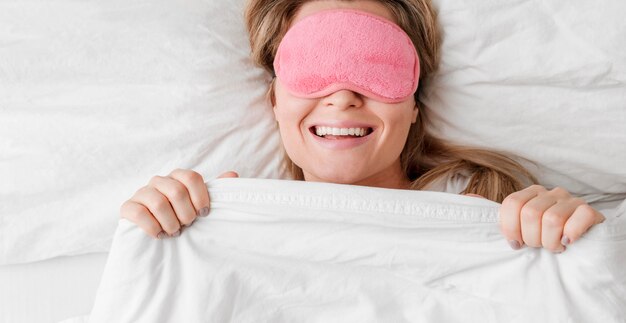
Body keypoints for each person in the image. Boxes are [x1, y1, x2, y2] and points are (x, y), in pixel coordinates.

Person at [120, 0, 605, 253]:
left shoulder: (496, 212)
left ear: (415, 104)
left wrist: (572, 235)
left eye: (375, 66)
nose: (342, 96)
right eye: (313, 66)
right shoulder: (218, 218)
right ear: (274, 101)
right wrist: (161, 226)